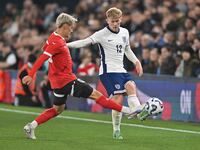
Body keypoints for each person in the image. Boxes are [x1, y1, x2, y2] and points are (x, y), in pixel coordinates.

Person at [22, 12, 137, 140]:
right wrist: (31, 74)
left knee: (57, 109)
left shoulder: (53, 38)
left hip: (57, 83)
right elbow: (43, 57)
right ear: (64, 26)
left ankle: (31, 126)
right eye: (71, 27)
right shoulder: (57, 42)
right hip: (67, 80)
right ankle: (129, 110)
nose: (71, 31)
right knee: (97, 95)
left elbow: (45, 49)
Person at [67, 7, 149, 140]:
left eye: (117, 21)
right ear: (107, 20)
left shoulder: (125, 32)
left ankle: (137, 112)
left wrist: (136, 62)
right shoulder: (101, 34)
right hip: (108, 71)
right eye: (113, 21)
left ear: (121, 19)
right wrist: (66, 45)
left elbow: (127, 49)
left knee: (131, 87)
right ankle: (117, 130)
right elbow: (84, 42)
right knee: (118, 99)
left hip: (121, 70)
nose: (115, 24)